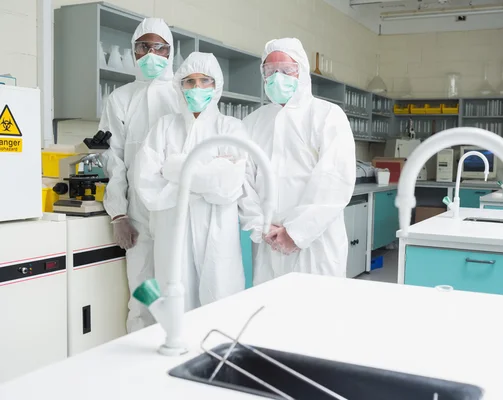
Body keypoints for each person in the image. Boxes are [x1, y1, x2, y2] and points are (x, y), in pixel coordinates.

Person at [239, 38, 356, 286]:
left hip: (316, 242)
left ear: (301, 71)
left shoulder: (327, 115)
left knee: (315, 314)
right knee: (270, 313)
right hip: (268, 242)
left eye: (286, 70)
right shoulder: (253, 122)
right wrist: (260, 226)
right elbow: (243, 180)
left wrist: (295, 232)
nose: (277, 77)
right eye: (270, 71)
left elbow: (334, 181)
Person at [134, 52, 246, 310]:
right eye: (189, 82)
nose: (196, 88)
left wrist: (174, 170)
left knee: (220, 300)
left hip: (217, 232)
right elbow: (148, 185)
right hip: (172, 231)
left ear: (216, 85)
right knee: (175, 302)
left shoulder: (231, 128)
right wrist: (206, 178)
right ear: (179, 86)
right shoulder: (163, 127)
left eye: (204, 81)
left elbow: (229, 184)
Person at [100, 18, 180, 333]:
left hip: (178, 209)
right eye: (143, 47)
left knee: (177, 288)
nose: (151, 54)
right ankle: (139, 362)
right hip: (138, 216)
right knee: (143, 292)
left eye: (159, 47)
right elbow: (113, 159)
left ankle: (179, 354)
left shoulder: (182, 92)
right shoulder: (119, 99)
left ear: (171, 52)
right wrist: (118, 214)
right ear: (134, 52)